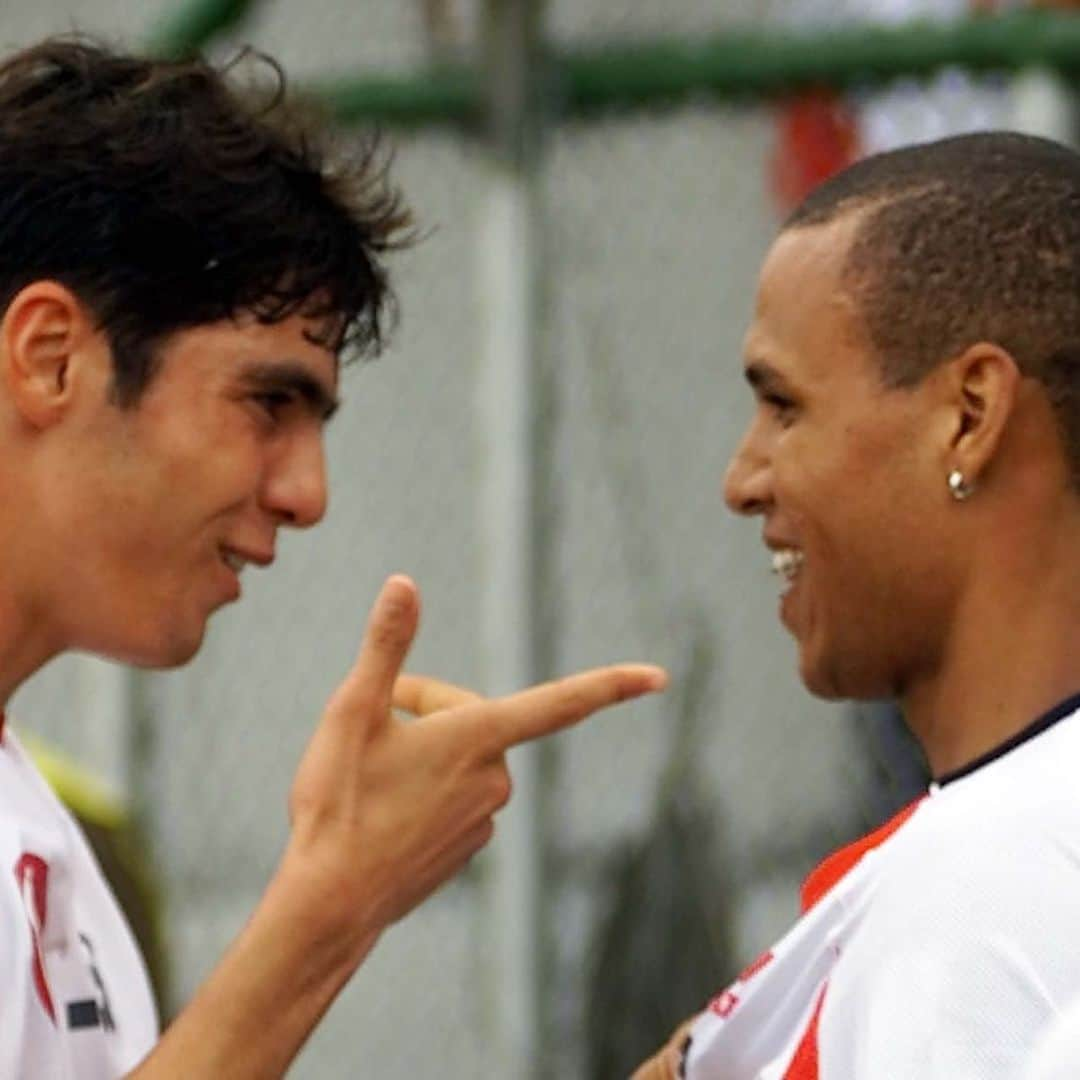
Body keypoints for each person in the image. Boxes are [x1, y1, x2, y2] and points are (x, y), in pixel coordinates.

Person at [0, 37, 668, 1078]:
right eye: (268, 401)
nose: (307, 495)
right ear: (50, 357)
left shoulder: (40, 825)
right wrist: (332, 903)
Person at [634, 130, 1080, 1078]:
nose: (742, 478)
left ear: (969, 416)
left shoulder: (975, 893)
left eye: (784, 406)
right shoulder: (977, 850)